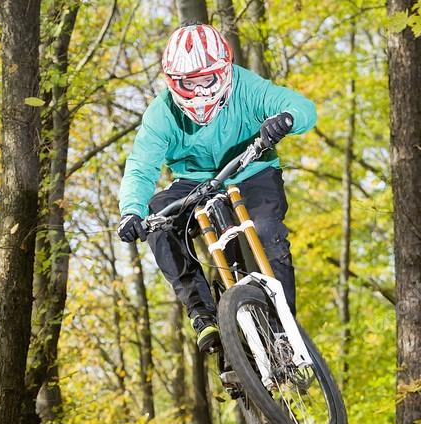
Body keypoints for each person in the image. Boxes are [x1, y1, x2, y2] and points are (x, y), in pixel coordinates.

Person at [117, 23, 315, 351]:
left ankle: (283, 332)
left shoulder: (246, 87)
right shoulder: (162, 113)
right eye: (187, 83)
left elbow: (302, 106)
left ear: (222, 72)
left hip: (252, 170)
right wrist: (131, 212)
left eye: (205, 80)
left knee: (266, 231)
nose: (197, 91)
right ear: (172, 81)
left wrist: (287, 119)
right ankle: (203, 313)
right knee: (157, 220)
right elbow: (141, 166)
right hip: (195, 182)